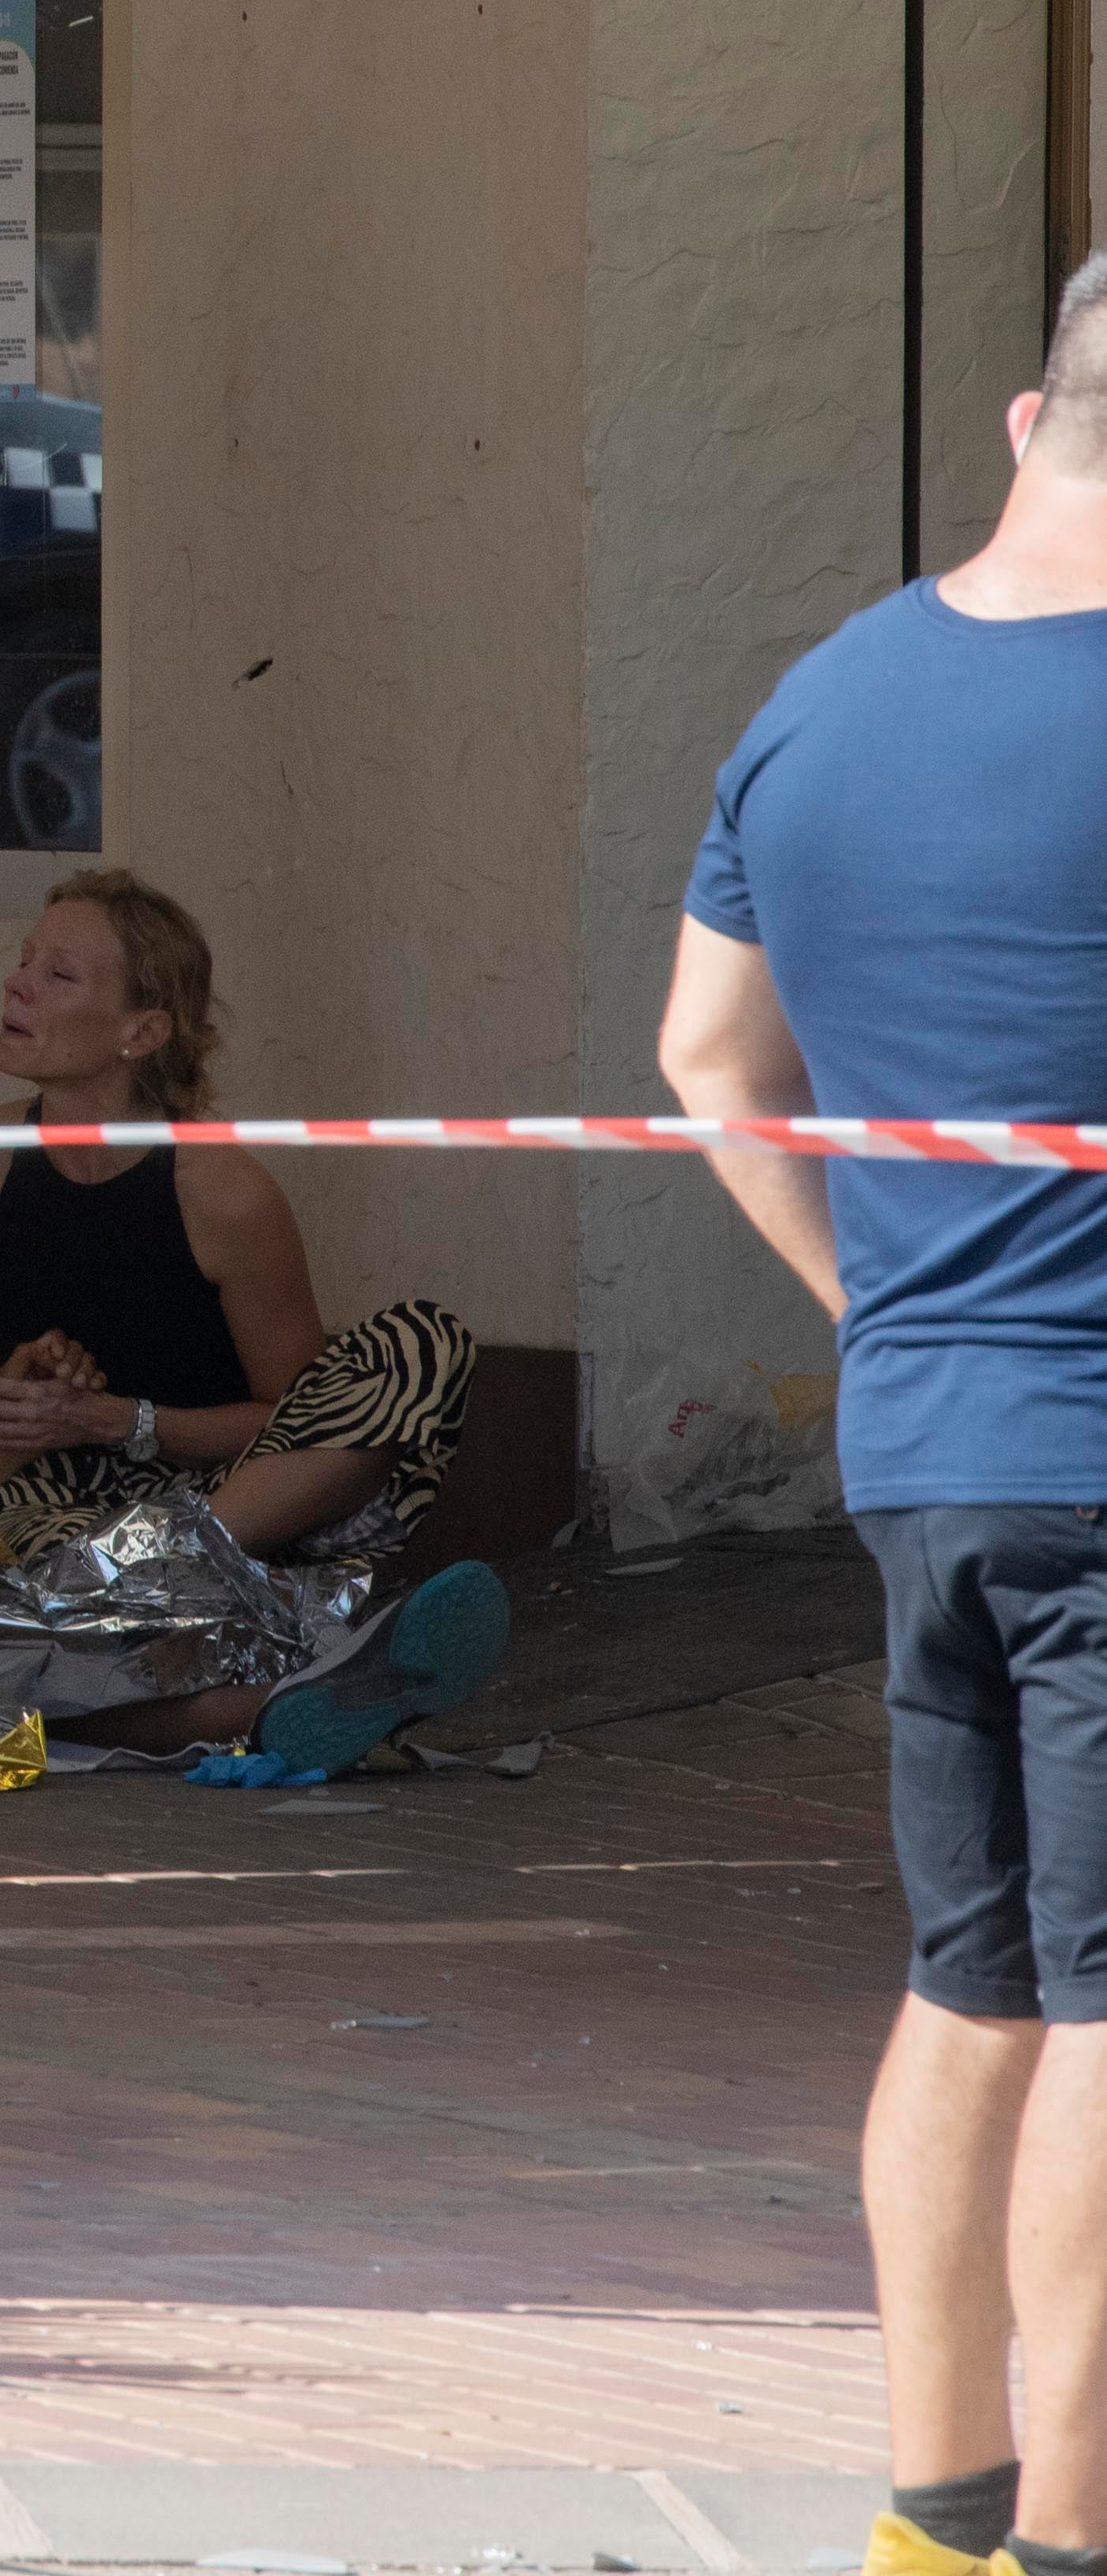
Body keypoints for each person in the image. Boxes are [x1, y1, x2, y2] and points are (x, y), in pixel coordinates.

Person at [661, 253, 1107, 2576]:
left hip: (926, 1449)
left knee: (970, 1981)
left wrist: (885, 1305)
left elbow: (702, 1060)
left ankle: (934, 2523)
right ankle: (1068, 2536)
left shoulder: (817, 698)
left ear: (1031, 420)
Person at [0, 869, 501, 1762]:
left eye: (59, 974)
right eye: (24, 961)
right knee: (46, 1611)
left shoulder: (222, 1189)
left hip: (220, 1504)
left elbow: (295, 1419)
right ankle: (277, 1704)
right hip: (56, 1506)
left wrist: (121, 1420)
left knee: (422, 1342)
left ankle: (110, 1599)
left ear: (142, 1031)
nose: (17, 984)